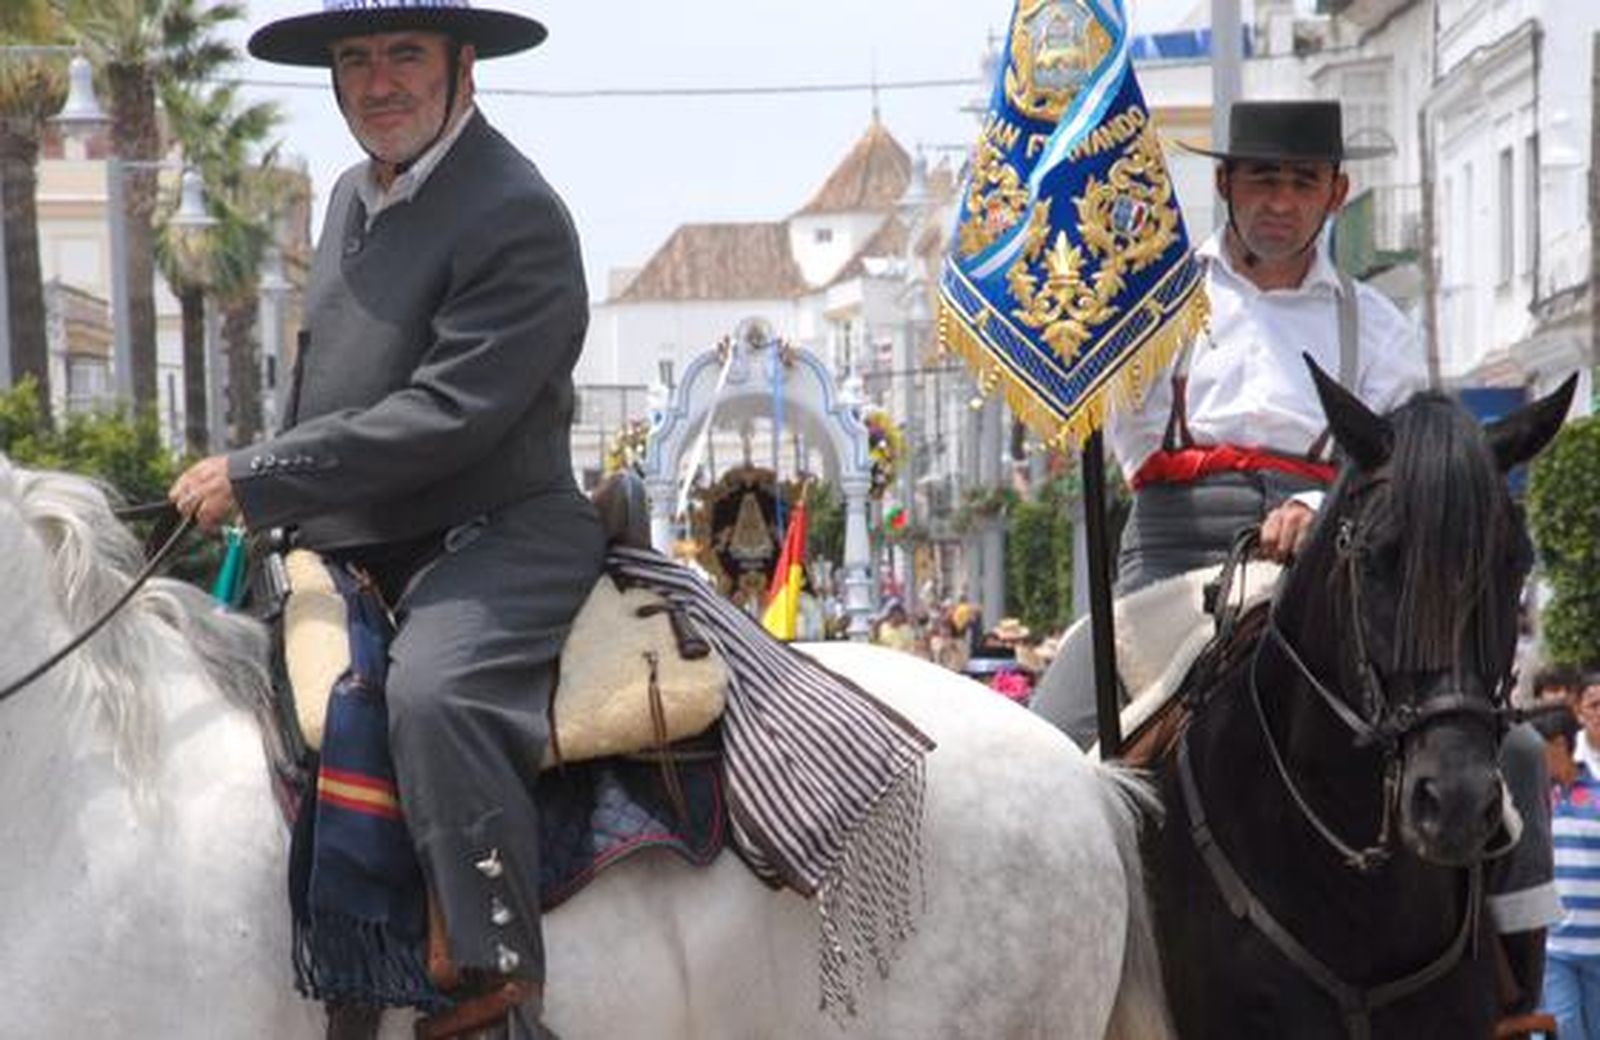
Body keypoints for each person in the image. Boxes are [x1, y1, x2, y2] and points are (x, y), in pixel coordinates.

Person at [167, 3, 601, 1036]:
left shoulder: (515, 207)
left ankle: (493, 987)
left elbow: (451, 410)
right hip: (356, 540)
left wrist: (264, 472)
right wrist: (265, 507)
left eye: (405, 53)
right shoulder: (347, 201)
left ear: (463, 68)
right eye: (355, 60)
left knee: (433, 693)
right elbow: (329, 385)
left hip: (498, 532)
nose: (378, 82)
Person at [1540, 678, 1600, 1038]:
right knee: (1567, 1031)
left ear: (1560, 746)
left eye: (1544, 750)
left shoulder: (1594, 789)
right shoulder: (1539, 795)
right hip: (1556, 948)